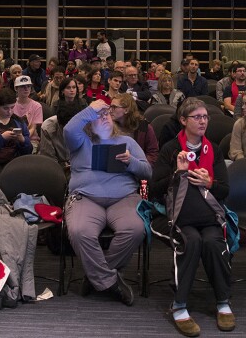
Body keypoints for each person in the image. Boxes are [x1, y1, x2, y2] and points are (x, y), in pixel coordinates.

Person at [150, 97, 233, 335]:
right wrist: (177, 173)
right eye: (197, 117)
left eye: (205, 116)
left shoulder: (213, 149)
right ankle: (179, 305)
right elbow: (153, 189)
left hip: (207, 214)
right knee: (191, 241)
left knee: (213, 242)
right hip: (179, 215)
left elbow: (225, 190)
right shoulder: (171, 149)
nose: (203, 121)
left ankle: (223, 301)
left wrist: (209, 182)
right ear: (183, 120)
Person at [64, 99, 150, 306]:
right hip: (86, 198)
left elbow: (147, 172)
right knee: (79, 231)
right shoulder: (80, 141)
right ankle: (110, 282)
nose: (104, 118)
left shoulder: (127, 142)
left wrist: (131, 162)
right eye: (98, 116)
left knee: (136, 228)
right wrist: (91, 109)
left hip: (124, 198)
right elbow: (68, 129)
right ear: (89, 123)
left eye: (107, 115)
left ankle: (95, 277)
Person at [110, 93, 159, 165]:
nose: (110, 110)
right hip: (114, 167)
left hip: (137, 169)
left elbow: (152, 154)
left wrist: (142, 167)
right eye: (110, 107)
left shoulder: (144, 127)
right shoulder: (108, 126)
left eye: (114, 107)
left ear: (126, 110)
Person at [13, 76, 44, 151]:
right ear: (16, 88)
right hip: (13, 139)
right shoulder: (11, 104)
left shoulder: (37, 106)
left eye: (28, 86)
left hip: (31, 140)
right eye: (23, 86)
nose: (26, 89)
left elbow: (33, 128)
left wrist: (23, 139)